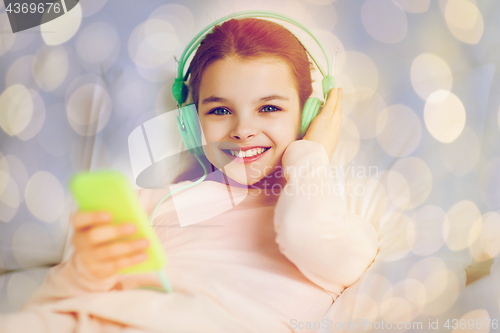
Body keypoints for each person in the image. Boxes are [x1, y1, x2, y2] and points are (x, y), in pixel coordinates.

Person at [0, 18, 378, 333]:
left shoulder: (337, 222)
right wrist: (84, 272)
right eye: (218, 111)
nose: (243, 130)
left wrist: (312, 153)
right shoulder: (151, 202)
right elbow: (46, 310)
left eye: (268, 108)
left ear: (308, 116)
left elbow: (303, 232)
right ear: (189, 124)